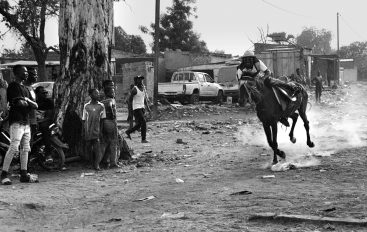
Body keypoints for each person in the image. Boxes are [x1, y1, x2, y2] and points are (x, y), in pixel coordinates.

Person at [236, 50, 300, 126]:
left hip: (261, 79)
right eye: (246, 59)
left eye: (249, 59)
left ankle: (291, 88)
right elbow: (239, 80)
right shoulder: (240, 68)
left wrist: (263, 79)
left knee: (274, 82)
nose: (247, 61)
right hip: (250, 83)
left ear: (252, 59)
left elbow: (268, 72)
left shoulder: (258, 63)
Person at [1, 65, 38, 185]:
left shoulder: (25, 88)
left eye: (27, 72)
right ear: (17, 74)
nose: (27, 73)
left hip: (26, 123)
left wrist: (27, 101)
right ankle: (4, 175)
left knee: (25, 149)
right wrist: (28, 102)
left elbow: (35, 105)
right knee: (14, 147)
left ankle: (24, 174)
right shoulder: (13, 86)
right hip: (17, 121)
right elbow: (20, 103)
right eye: (24, 72)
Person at [82, 88, 106, 170]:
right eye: (96, 93)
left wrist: (101, 131)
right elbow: (84, 119)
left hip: (97, 130)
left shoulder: (101, 106)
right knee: (88, 147)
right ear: (91, 95)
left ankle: (97, 164)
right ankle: (90, 163)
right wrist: (84, 131)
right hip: (88, 130)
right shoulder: (86, 106)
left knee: (97, 148)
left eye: (98, 93)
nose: (98, 95)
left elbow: (102, 120)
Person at [101, 80, 120, 168]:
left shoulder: (103, 100)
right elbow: (111, 112)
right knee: (113, 142)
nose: (114, 92)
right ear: (109, 92)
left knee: (107, 142)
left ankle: (105, 160)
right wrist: (113, 119)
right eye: (112, 91)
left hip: (104, 122)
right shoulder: (110, 100)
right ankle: (113, 162)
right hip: (110, 122)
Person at [125, 75, 151, 143]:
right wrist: (130, 111)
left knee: (139, 124)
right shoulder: (134, 89)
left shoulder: (143, 88)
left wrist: (148, 108)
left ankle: (128, 131)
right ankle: (143, 139)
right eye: (139, 79)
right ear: (136, 81)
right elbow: (130, 100)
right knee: (144, 122)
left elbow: (144, 99)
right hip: (136, 108)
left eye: (141, 79)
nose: (141, 81)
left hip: (142, 108)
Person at [23, 67, 38, 136]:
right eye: (34, 74)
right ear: (27, 75)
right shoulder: (23, 88)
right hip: (26, 121)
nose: (36, 76)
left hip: (33, 120)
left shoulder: (31, 87)